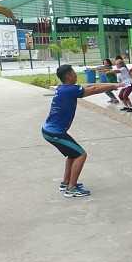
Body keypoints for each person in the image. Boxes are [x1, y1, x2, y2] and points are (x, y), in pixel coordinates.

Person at [42, 64, 123, 197]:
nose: (76, 75)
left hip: (51, 131)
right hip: (54, 133)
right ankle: (71, 189)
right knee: (81, 154)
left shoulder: (63, 88)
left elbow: (89, 87)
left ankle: (66, 183)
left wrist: (112, 84)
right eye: (73, 72)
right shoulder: (70, 90)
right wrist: (115, 86)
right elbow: (94, 89)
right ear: (68, 75)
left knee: (73, 154)